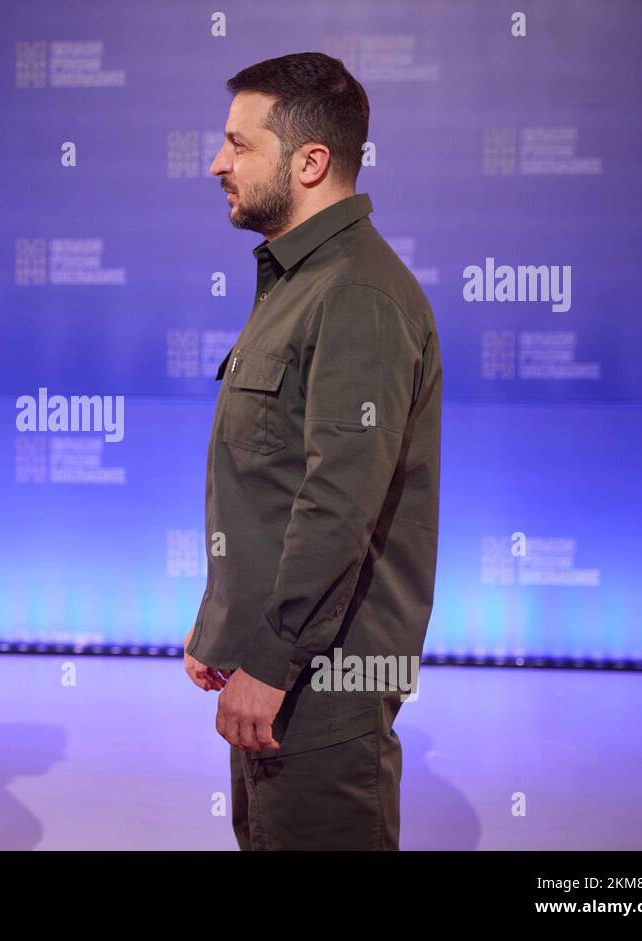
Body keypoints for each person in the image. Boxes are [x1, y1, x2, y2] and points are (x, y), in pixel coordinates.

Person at [183, 52, 442, 850]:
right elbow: (273, 476)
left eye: (238, 144)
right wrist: (223, 623)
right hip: (286, 669)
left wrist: (270, 661)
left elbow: (339, 503)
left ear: (311, 162)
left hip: (320, 682)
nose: (217, 163)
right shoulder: (300, 280)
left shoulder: (355, 293)